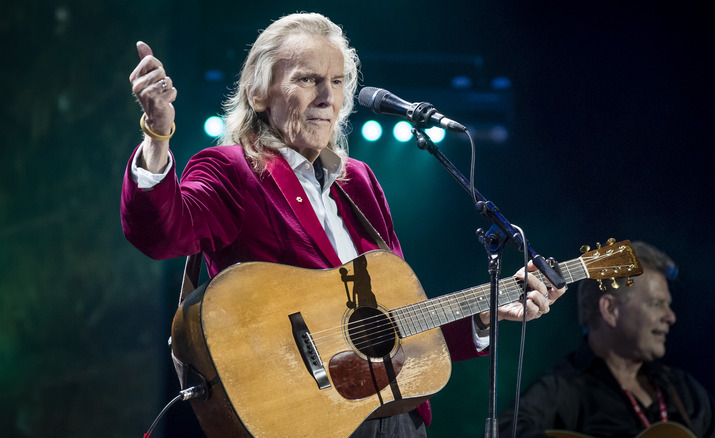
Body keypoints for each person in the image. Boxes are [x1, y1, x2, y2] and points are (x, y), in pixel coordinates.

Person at [122, 12, 566, 438]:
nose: (327, 97)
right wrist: (157, 137)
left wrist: (486, 316)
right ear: (259, 95)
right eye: (307, 79)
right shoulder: (231, 169)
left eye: (337, 82)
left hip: (395, 416)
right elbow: (161, 233)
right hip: (300, 418)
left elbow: (394, 324)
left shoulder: (361, 181)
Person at [497, 242, 715, 438]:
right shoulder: (561, 390)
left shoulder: (685, 391)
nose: (670, 317)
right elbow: (507, 433)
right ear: (610, 309)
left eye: (668, 306)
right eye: (656, 304)